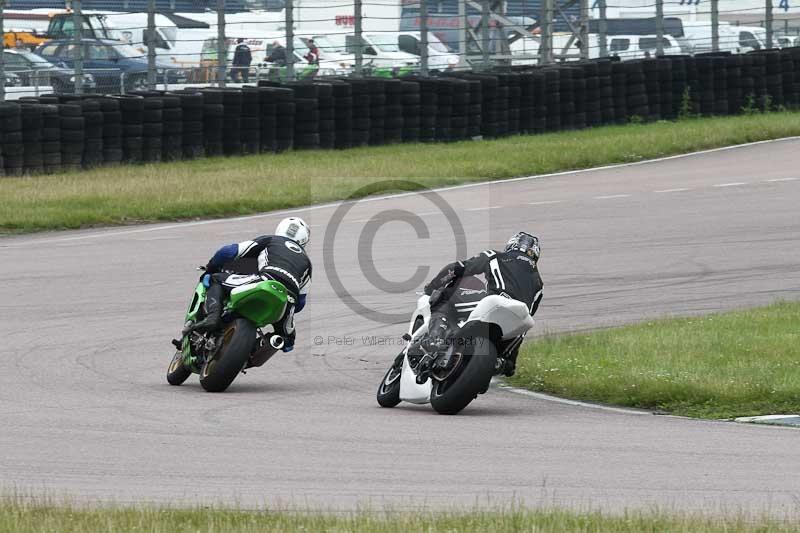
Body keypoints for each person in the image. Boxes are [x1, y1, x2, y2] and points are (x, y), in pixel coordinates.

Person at [421, 232, 543, 376]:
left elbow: (457, 268)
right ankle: (501, 362)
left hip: (494, 302)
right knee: (518, 336)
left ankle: (436, 338)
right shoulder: (539, 284)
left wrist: (432, 287)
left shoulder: (495, 256)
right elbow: (526, 320)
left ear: (512, 245)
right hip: (514, 322)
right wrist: (510, 359)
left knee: (445, 296)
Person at [185, 217, 312, 353]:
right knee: (287, 342)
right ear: (304, 240)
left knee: (214, 279)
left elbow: (229, 251)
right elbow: (301, 303)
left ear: (280, 229)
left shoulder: (271, 240)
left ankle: (212, 318)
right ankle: (255, 351)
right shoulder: (307, 262)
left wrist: (211, 267)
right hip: (288, 300)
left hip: (265, 280)